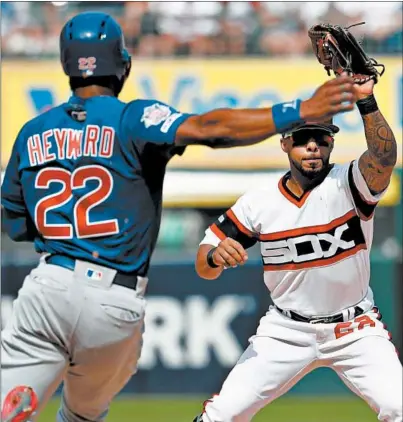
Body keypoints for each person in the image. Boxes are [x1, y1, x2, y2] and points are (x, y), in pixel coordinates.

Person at [0, 11, 357, 422]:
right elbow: (209, 127)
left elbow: (17, 224)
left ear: (66, 64)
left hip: (50, 282)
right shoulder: (132, 118)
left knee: (13, 400)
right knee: (81, 416)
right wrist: (299, 109)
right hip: (113, 298)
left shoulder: (32, 131)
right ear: (123, 64)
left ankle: (19, 399)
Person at [193, 78, 402, 422]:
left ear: (331, 143)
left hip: (355, 328)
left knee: (399, 407)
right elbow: (204, 263)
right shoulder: (259, 202)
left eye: (321, 138)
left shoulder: (349, 183)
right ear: (285, 144)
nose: (312, 147)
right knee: (222, 415)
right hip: (286, 330)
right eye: (302, 139)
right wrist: (215, 255)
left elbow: (383, 156)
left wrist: (366, 101)